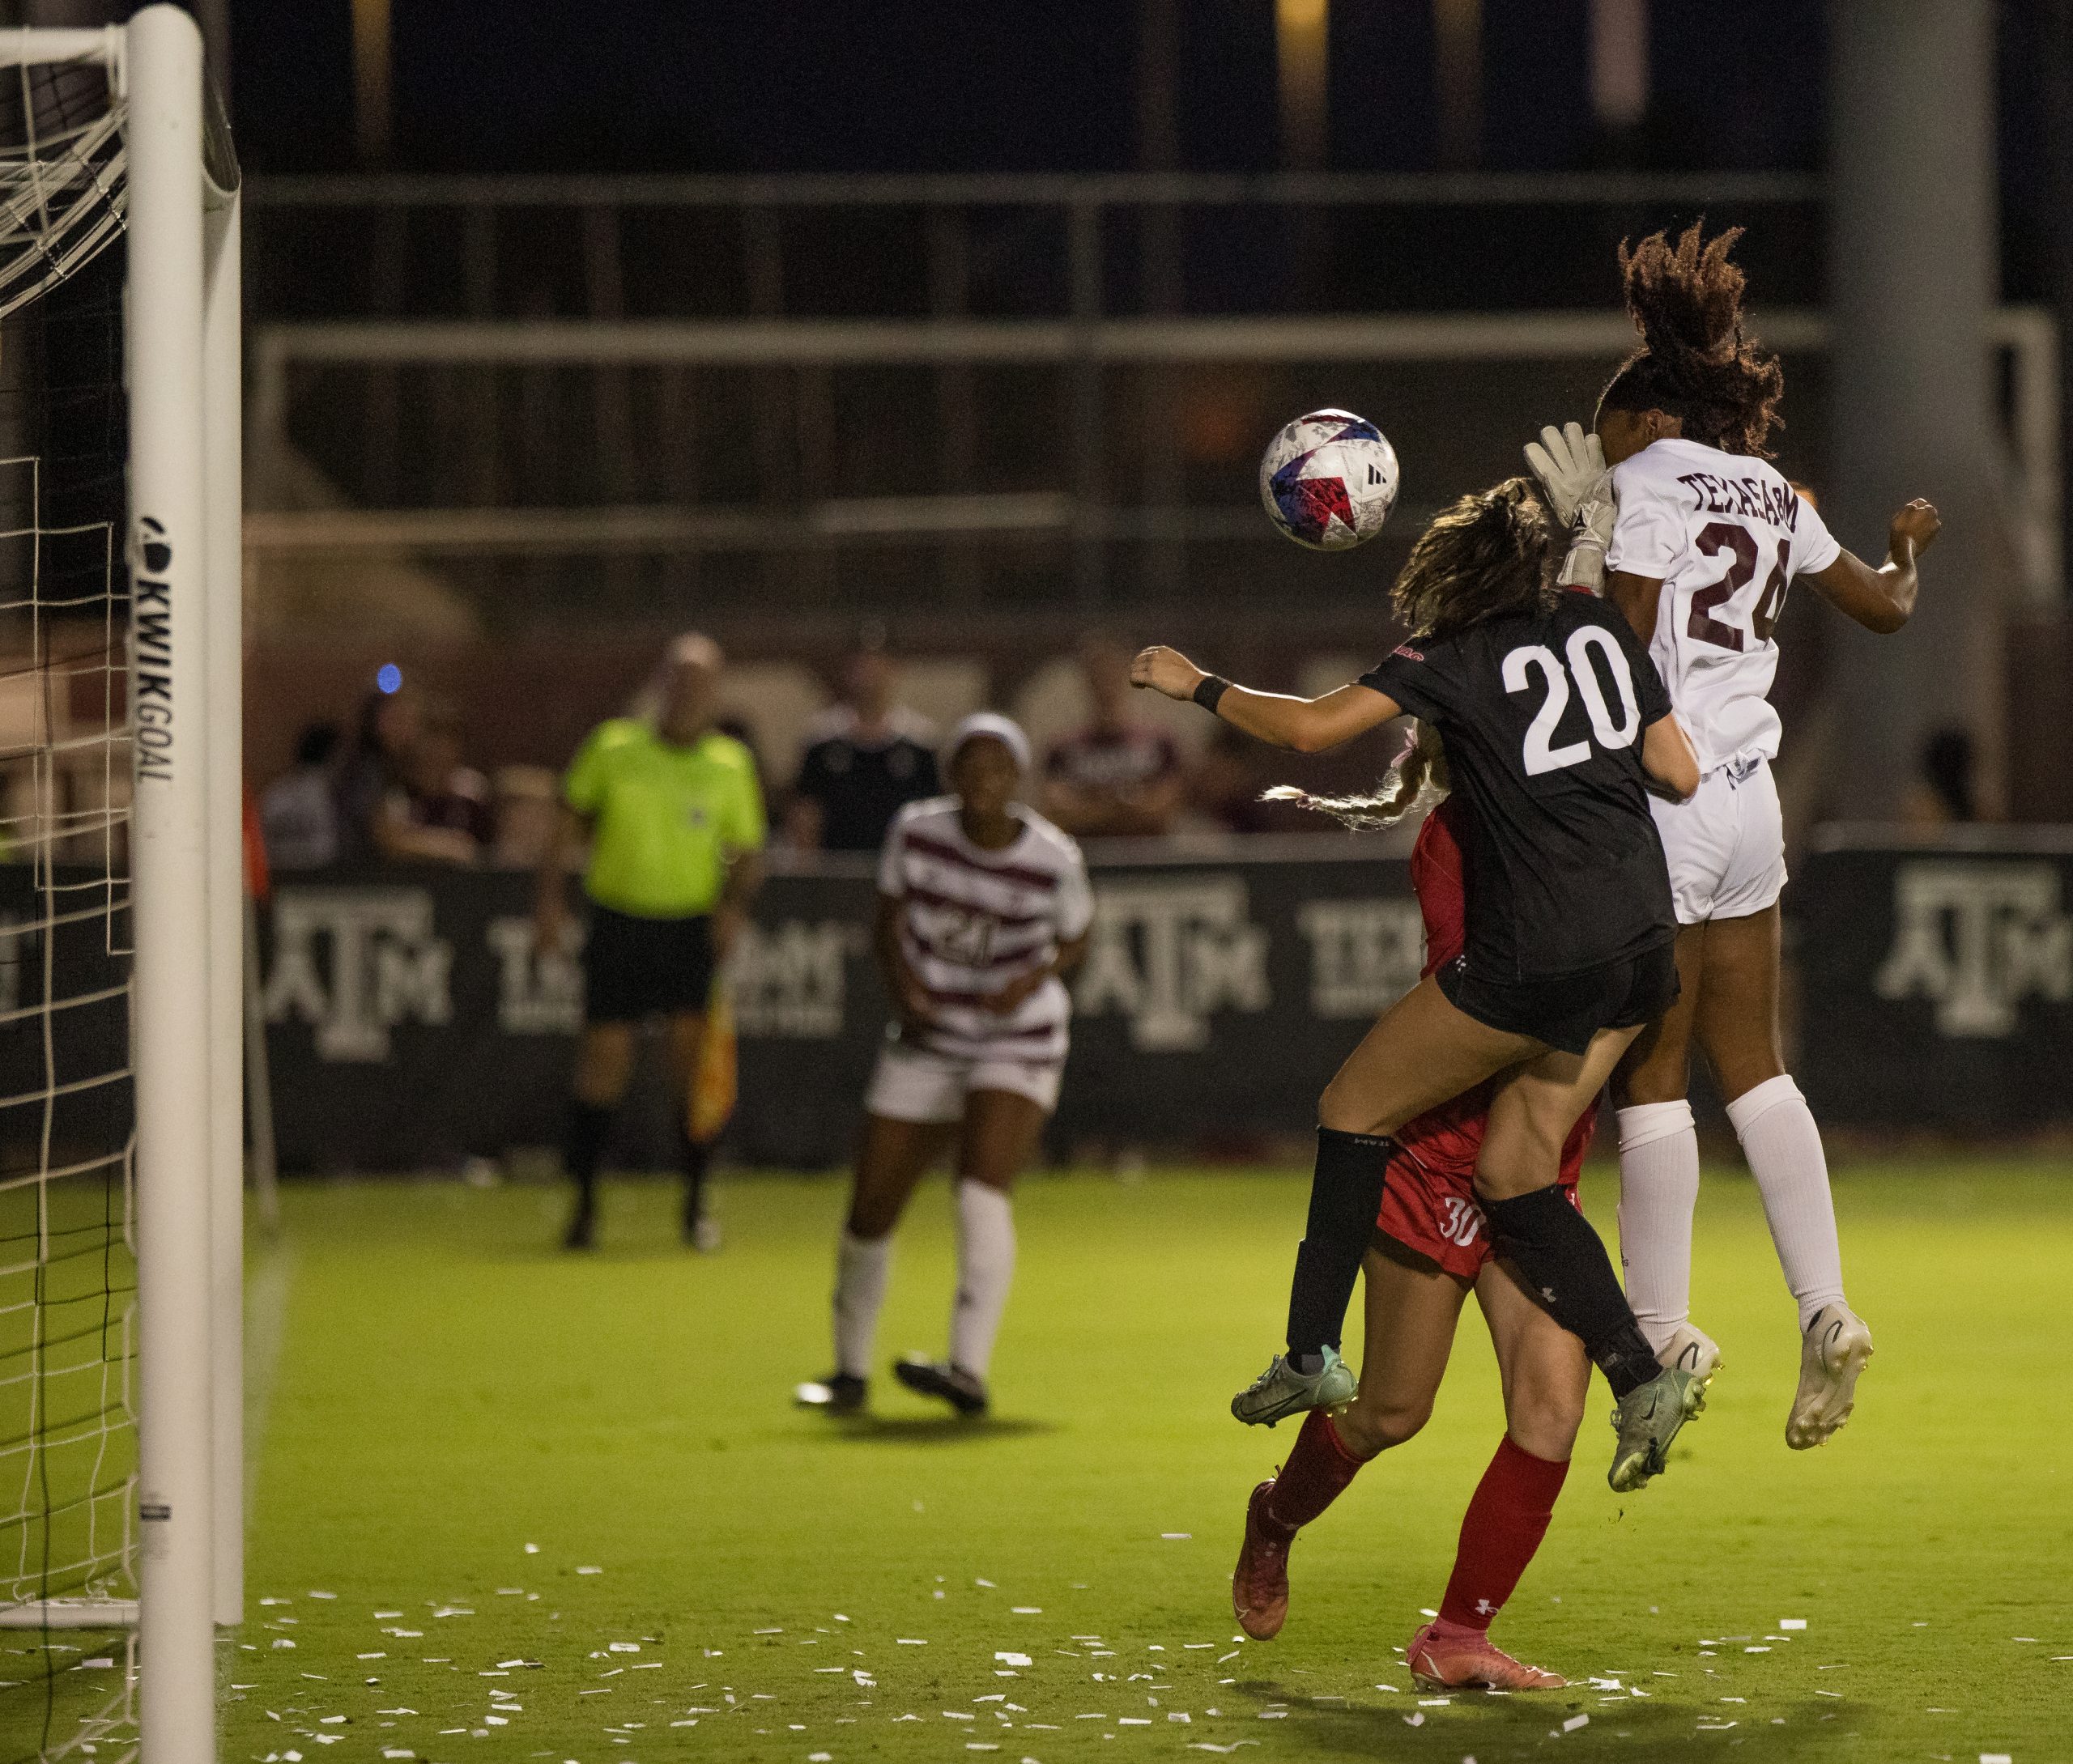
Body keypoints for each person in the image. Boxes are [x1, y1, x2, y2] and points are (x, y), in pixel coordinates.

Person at [1132, 477, 1705, 1492]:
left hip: (1540, 952)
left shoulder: (1445, 658)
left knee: (1353, 1103)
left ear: (1448, 576)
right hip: (1643, 947)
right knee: (1516, 1172)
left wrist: (1196, 685)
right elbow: (1679, 771)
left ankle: (1309, 1356)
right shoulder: (1596, 622)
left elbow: (1313, 729)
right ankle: (1637, 1375)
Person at [1527, 223, 1940, 1448]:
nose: (1604, 453)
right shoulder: (1774, 489)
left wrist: (1584, 539)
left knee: (1654, 1078)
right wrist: (1909, 546)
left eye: (1610, 436)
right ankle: (1826, 1305)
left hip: (1664, 794)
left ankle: (1665, 1330)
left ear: (1649, 423)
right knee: (1755, 1062)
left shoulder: (1644, 483)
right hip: (1753, 798)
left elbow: (1614, 646)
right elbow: (1884, 607)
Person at [1230, 728, 1590, 1690]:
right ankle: (1276, 1517)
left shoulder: (1611, 823)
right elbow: (1489, 997)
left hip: (1542, 1158)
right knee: (1392, 1409)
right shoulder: (1456, 838)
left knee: (1553, 1408)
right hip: (1446, 1157)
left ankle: (1457, 1635)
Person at [794, 713, 1092, 1419]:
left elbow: (1077, 937)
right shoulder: (916, 831)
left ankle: (967, 1370)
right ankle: (849, 1372)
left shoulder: (1053, 855)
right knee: (871, 1203)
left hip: (1015, 1036)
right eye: (970, 766)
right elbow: (885, 925)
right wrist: (908, 996)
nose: (983, 781)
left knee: (979, 1186)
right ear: (950, 775)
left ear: (1017, 779)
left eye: (998, 768)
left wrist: (1033, 976)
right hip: (928, 1034)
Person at [534, 633, 767, 1252]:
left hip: (687, 927)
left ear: (714, 693)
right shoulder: (614, 748)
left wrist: (734, 907)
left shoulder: (729, 763)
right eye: (679, 680)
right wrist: (550, 900)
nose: (688, 693)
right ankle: (584, 1207)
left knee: (688, 1070)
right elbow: (566, 824)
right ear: (660, 683)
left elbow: (747, 850)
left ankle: (694, 1207)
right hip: (618, 921)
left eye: (701, 683)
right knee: (604, 1063)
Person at [787, 645, 941, 852]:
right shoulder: (821, 739)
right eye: (862, 666)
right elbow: (806, 810)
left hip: (901, 864)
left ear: (893, 670)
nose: (870, 676)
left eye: (878, 666)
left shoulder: (920, 741)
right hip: (836, 865)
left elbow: (933, 812)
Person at [1041, 636, 1186, 839]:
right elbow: (1059, 812)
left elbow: (1162, 811)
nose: (1106, 682)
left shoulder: (1159, 742)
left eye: (1112, 672)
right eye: (1098, 674)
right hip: (1090, 860)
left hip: (1147, 860)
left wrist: (1092, 809)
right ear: (1087, 680)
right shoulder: (1063, 748)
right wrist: (1123, 807)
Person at [260, 721, 343, 870]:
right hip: (323, 880)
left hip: (280, 878)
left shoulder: (275, 792)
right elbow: (328, 848)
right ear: (333, 756)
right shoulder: (330, 794)